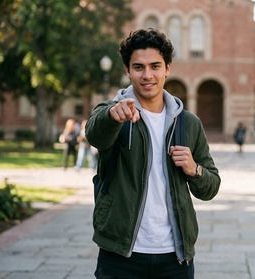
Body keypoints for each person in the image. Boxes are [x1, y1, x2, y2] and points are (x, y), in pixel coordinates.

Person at [85, 28, 221, 279]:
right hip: (120, 254)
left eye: (155, 66)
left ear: (167, 68)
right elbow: (95, 134)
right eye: (138, 67)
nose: (147, 75)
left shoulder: (188, 123)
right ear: (127, 71)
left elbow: (210, 187)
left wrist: (194, 169)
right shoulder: (113, 111)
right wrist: (112, 116)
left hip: (176, 256)